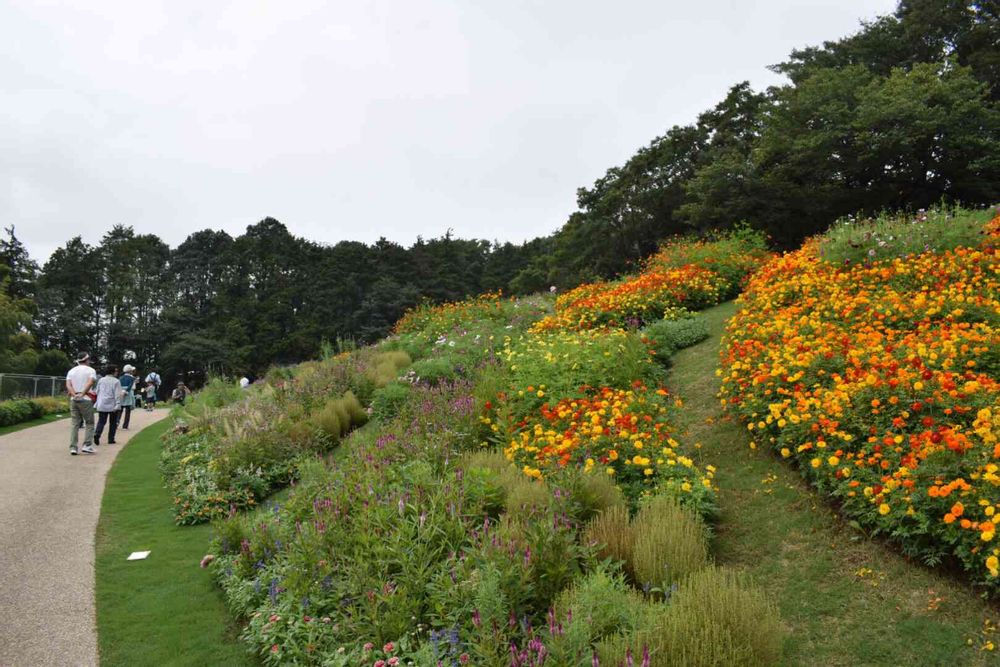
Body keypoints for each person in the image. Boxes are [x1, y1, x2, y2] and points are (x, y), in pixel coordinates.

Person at [66, 352, 98, 455]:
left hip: (74, 399)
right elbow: (90, 382)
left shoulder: (71, 371)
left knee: (75, 423)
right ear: (87, 360)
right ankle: (87, 445)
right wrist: (83, 393)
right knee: (89, 423)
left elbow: (68, 385)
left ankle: (73, 447)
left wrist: (74, 394)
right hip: (86, 398)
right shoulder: (91, 370)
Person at [94, 365, 123, 446]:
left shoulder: (101, 380)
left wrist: (97, 402)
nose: (117, 373)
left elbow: (97, 391)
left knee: (101, 421)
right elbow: (117, 394)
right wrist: (118, 404)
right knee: (113, 422)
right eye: (116, 371)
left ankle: (97, 433)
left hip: (102, 403)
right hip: (112, 404)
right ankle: (111, 439)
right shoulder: (116, 381)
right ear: (113, 371)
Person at [118, 364, 137, 430]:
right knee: (127, 411)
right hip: (128, 394)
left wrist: (121, 391)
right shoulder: (132, 378)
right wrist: (126, 391)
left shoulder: (120, 378)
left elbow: (118, 386)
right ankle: (125, 426)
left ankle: (117, 422)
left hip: (121, 393)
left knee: (120, 410)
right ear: (129, 371)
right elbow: (130, 386)